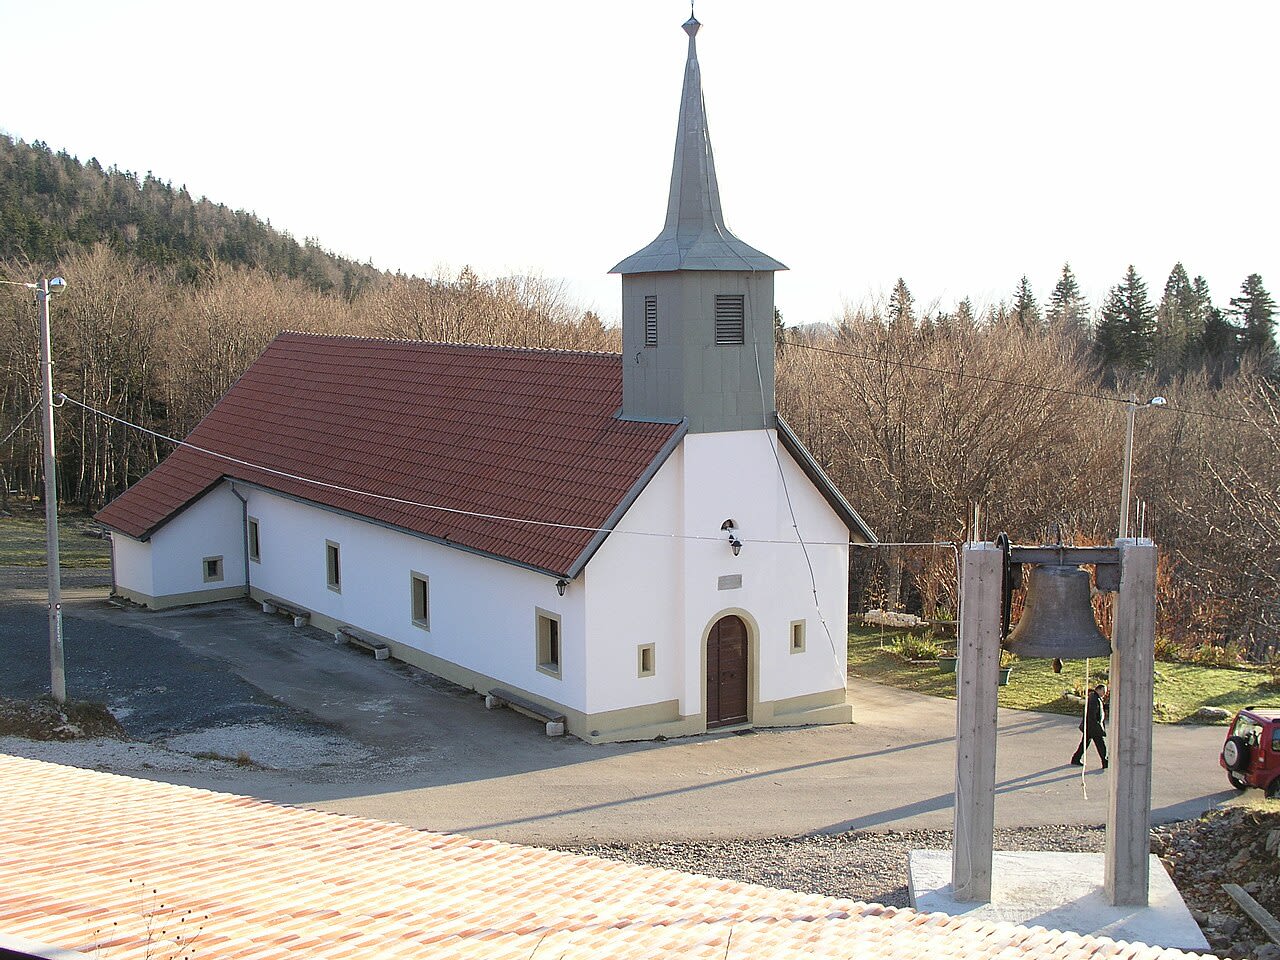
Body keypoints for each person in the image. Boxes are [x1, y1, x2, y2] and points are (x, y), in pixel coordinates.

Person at [1071, 683, 1108, 768]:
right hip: (1093, 727)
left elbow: (1098, 709)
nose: (1104, 693)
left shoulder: (1095, 698)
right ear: (1098, 690)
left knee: (1084, 743)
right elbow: (1092, 714)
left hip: (1090, 727)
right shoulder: (1094, 699)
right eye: (1103, 691)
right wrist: (1097, 727)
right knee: (1100, 745)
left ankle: (1076, 758)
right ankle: (1104, 761)